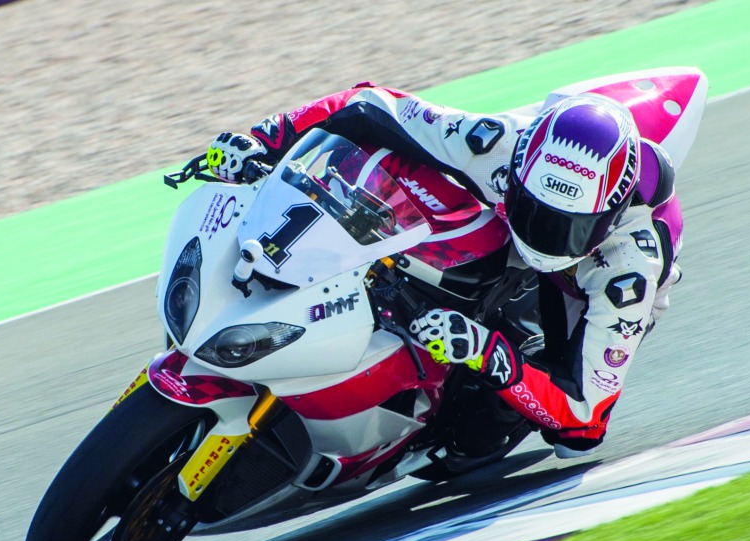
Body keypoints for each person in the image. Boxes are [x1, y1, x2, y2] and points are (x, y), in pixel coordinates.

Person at [205, 82, 683, 459]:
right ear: (518, 170)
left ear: (608, 214)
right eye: (534, 209)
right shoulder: (495, 145)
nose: (542, 232)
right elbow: (367, 106)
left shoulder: (629, 271)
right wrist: (265, 138)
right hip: (502, 220)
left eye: (565, 226)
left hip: (577, 285)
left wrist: (487, 351)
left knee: (478, 439)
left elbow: (586, 420)